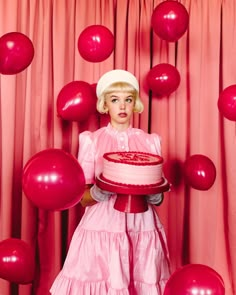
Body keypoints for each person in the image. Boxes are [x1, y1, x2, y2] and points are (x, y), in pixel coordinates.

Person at [50, 69, 170, 295]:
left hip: (142, 225)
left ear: (135, 103)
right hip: (102, 225)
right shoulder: (91, 141)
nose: (122, 106)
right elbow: (83, 199)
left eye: (128, 100)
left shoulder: (150, 142)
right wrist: (98, 192)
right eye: (115, 100)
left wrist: (155, 194)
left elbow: (159, 196)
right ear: (105, 105)